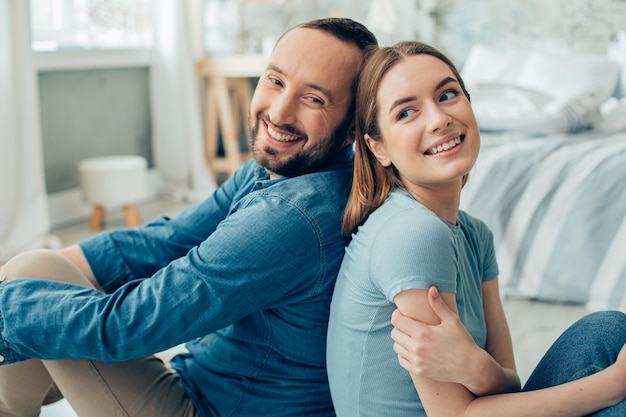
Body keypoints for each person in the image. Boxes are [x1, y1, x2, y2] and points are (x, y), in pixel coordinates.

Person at [0, 18, 378, 417]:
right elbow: (168, 239)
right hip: (200, 381)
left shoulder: (292, 219)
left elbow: (135, 324)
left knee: (28, 288)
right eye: (276, 81)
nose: (279, 113)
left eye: (314, 99)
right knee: (34, 269)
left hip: (215, 410)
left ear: (351, 129)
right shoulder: (283, 171)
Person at [326, 40, 626, 417]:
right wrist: (614, 384)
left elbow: (509, 384)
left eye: (448, 94)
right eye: (406, 113)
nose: (438, 119)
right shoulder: (412, 234)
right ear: (377, 148)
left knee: (609, 329)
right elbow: (457, 415)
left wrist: (476, 367)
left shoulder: (474, 235)